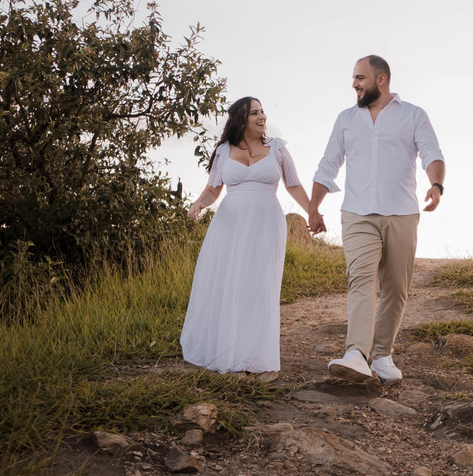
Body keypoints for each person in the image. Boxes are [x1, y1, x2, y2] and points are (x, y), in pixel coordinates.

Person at [307, 55, 445, 384]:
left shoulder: (413, 115)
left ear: (381, 79)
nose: (354, 84)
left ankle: (382, 356)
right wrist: (313, 207)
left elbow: (432, 153)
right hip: (357, 214)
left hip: (402, 213)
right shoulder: (345, 120)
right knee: (361, 280)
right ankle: (356, 352)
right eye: (354, 78)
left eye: (360, 78)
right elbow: (328, 164)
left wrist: (436, 186)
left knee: (396, 287)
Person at [180, 96, 311, 374]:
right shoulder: (224, 151)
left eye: (263, 111)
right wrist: (197, 205)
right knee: (230, 282)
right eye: (255, 113)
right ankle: (226, 348)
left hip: (266, 223)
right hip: (229, 225)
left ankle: (255, 355)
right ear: (241, 119)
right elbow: (213, 189)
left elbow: (294, 185)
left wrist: (313, 212)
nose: (262, 116)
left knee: (261, 284)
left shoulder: (277, 149)